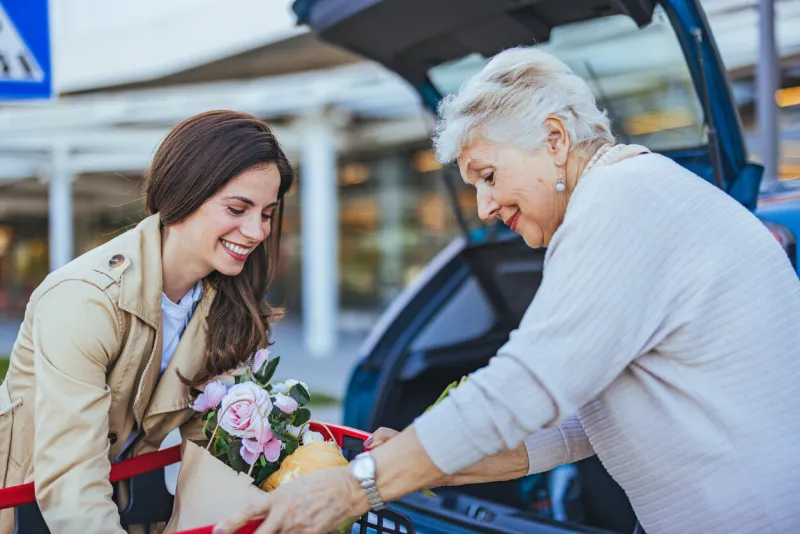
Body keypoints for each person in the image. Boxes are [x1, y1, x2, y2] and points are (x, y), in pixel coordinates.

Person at [215, 47, 800, 534]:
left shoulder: (621, 202)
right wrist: (430, 465)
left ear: (553, 139)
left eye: (488, 176)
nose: (485, 207)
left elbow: (527, 383)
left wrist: (354, 485)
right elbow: (579, 424)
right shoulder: (625, 199)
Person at [0, 110, 294, 533]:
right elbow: (71, 482)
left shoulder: (223, 306)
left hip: (124, 513)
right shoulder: (84, 299)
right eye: (237, 208)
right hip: (25, 515)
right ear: (183, 193)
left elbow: (213, 452)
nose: (256, 231)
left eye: (267, 213)